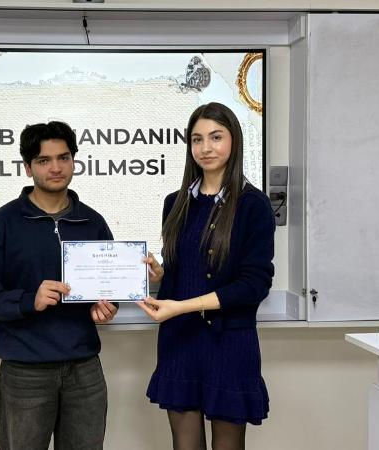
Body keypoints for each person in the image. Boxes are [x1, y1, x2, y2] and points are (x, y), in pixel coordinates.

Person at [0, 121, 118, 450]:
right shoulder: (1, 224)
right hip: (25, 373)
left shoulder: (93, 222)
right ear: (27, 167)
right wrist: (28, 301)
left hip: (85, 369)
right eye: (44, 160)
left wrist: (106, 306)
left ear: (74, 161)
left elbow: (110, 285)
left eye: (63, 158)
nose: (56, 168)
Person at [138, 102, 275, 450]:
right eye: (197, 139)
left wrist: (183, 306)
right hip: (180, 340)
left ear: (234, 141)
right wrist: (161, 275)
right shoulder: (175, 202)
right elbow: (186, 272)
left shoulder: (253, 204)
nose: (206, 148)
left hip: (229, 342)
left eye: (216, 137)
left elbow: (254, 284)